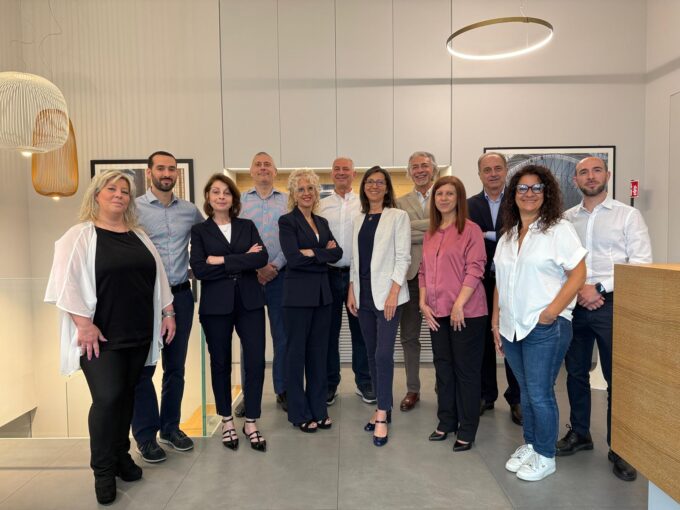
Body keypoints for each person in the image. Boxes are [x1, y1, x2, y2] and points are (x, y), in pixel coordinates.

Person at [45, 171, 176, 505]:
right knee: (107, 399)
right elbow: (64, 283)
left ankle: (120, 456)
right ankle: (103, 471)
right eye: (111, 189)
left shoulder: (138, 235)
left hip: (138, 332)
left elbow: (159, 276)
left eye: (125, 191)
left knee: (127, 397)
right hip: (99, 336)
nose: (119, 194)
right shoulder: (80, 235)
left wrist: (168, 312)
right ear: (96, 195)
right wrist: (83, 325)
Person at [559, 156, 652, 481]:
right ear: (575, 180)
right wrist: (579, 290)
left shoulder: (628, 215)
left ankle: (621, 448)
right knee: (575, 373)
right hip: (575, 304)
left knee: (617, 378)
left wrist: (598, 287)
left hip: (612, 303)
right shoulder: (566, 219)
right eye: (583, 172)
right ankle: (580, 433)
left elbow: (640, 263)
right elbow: (561, 262)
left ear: (608, 175)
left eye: (596, 170)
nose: (591, 176)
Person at [492, 165, 586, 482]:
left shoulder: (558, 230)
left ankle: (546, 455)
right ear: (513, 194)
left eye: (536, 188)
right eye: (522, 188)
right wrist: (496, 321)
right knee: (527, 392)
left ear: (546, 193)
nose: (529, 193)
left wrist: (551, 312)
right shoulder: (508, 235)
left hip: (545, 327)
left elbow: (579, 274)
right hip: (512, 327)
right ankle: (532, 445)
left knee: (540, 392)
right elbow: (500, 282)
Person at [132, 151, 204, 463]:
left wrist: (202, 265)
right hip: (144, 299)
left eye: (171, 169)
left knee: (175, 368)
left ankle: (170, 428)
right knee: (144, 369)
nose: (167, 173)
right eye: (161, 168)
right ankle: (145, 436)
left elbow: (207, 238)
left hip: (180, 296)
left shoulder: (189, 211)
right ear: (149, 172)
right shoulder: (133, 209)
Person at [190, 174, 269, 452]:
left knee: (255, 362)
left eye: (226, 192)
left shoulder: (247, 226)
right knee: (220, 363)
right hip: (216, 307)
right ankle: (226, 420)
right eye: (216, 192)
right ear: (208, 197)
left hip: (250, 303)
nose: (221, 196)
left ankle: (251, 421)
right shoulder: (200, 231)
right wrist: (242, 259)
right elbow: (200, 269)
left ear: (234, 198)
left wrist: (221, 260)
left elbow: (261, 258)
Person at [419, 176, 487, 452]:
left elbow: (476, 268)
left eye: (450, 194)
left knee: (465, 372)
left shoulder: (471, 230)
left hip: (467, 313)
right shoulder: (431, 233)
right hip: (437, 312)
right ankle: (446, 421)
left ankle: (467, 429)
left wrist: (459, 304)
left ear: (459, 198)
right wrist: (422, 303)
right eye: (439, 194)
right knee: (443, 369)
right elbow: (423, 271)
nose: (444, 198)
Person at [347, 166, 411, 446]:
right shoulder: (358, 219)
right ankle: (383, 404)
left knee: (383, 354)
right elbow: (355, 259)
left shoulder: (398, 216)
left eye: (380, 182)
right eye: (369, 182)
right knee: (372, 354)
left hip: (387, 297)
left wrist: (394, 293)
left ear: (387, 188)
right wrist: (351, 290)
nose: (374, 186)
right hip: (363, 296)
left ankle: (382, 414)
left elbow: (403, 257)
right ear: (363, 187)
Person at [279, 169, 343, 432]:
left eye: (311, 189)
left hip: (322, 296)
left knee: (319, 354)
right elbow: (293, 258)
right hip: (297, 297)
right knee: (296, 355)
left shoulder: (322, 222)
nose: (307, 193)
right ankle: (298, 412)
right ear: (294, 194)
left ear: (317, 193)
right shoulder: (287, 222)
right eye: (301, 189)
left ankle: (319, 409)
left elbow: (338, 253)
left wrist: (311, 253)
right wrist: (321, 254)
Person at [468, 152, 522, 425]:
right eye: (487, 169)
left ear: (505, 170)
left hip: (511, 281)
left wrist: (487, 234)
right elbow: (465, 237)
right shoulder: (469, 205)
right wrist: (498, 234)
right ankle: (485, 394)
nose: (492, 174)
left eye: (497, 168)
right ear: (479, 174)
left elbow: (521, 231)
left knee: (511, 338)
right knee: (482, 340)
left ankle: (516, 399)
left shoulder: (519, 199)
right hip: (479, 281)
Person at [318, 157, 375, 406]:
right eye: (337, 169)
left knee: (361, 332)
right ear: (331, 173)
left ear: (354, 174)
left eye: (346, 169)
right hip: (328, 274)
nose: (341, 173)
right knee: (328, 333)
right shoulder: (320, 205)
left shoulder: (364, 204)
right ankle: (330, 383)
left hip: (358, 275)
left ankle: (365, 382)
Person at [240, 152, 289, 414]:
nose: (262, 168)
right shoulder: (239, 201)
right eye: (258, 164)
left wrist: (275, 265)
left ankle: (283, 390)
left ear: (275, 171)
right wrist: (257, 266)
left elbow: (294, 238)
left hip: (281, 277)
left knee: (283, 337)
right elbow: (235, 239)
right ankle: (249, 397)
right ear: (251, 171)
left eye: (267, 164)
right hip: (249, 278)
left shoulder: (287, 201)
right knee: (250, 341)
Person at [396, 151, 437, 412]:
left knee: (441, 337)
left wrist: (414, 227)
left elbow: (449, 228)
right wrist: (434, 226)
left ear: (433, 169)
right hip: (410, 277)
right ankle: (413, 389)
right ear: (409, 172)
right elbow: (400, 235)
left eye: (424, 165)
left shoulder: (445, 194)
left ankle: (444, 387)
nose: (420, 170)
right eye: (415, 167)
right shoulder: (399, 202)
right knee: (409, 337)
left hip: (440, 278)